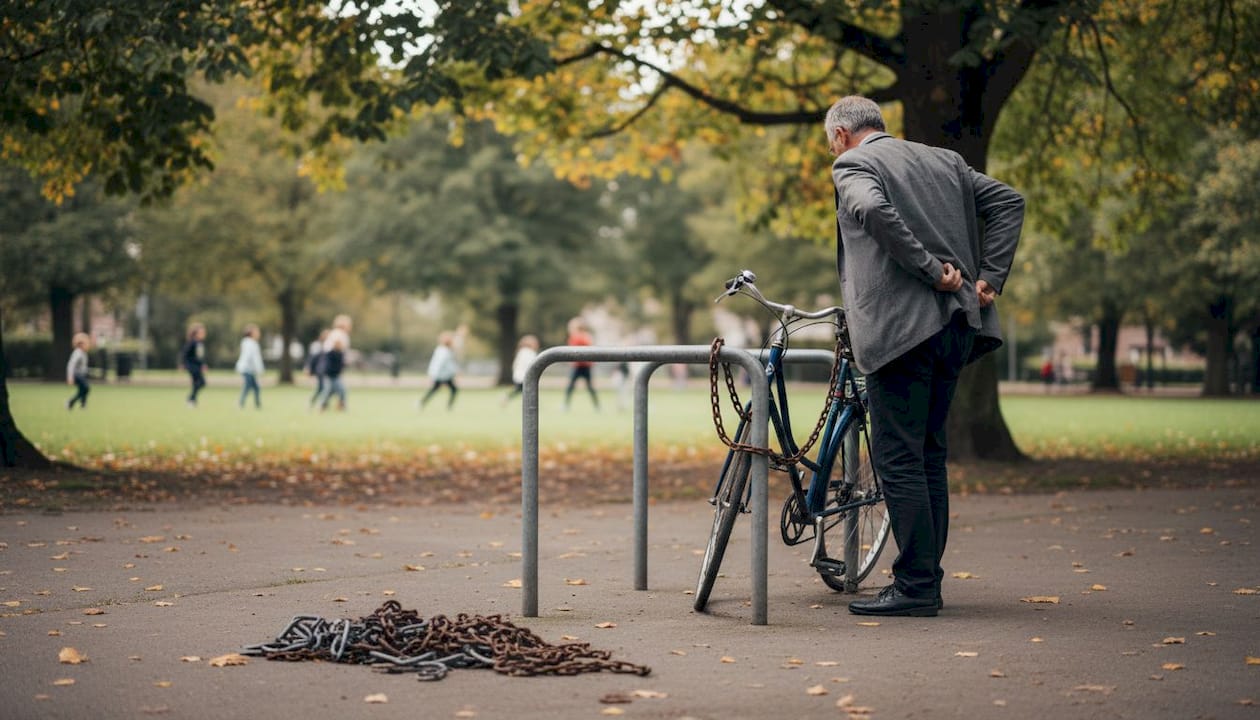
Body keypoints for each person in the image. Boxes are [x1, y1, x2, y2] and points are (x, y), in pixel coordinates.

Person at [825, 96, 1024, 617]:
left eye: (830, 142)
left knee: (898, 459)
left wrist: (929, 269)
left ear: (842, 134)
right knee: (929, 456)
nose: (832, 150)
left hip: (901, 332)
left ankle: (916, 586)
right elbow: (1009, 202)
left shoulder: (853, 163)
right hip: (958, 327)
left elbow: (868, 209)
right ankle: (924, 581)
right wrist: (989, 276)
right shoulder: (946, 161)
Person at [563, 318, 599, 411]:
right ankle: (566, 405)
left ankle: (597, 405)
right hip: (579, 365)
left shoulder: (580, 336)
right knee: (573, 386)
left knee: (586, 387)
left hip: (583, 365)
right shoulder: (584, 336)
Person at [421, 331, 460, 410]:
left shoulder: (442, 350)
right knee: (453, 389)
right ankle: (449, 406)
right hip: (442, 375)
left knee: (450, 389)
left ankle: (422, 403)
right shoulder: (444, 352)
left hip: (443, 375)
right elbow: (442, 364)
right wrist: (455, 371)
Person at [502, 334, 541, 406]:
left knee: (522, 390)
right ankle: (508, 397)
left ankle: (508, 398)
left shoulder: (522, 352)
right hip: (523, 375)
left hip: (520, 374)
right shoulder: (528, 352)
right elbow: (531, 363)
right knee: (524, 390)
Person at [235, 324, 264, 409]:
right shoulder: (251, 343)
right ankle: (241, 403)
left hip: (248, 369)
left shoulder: (247, 343)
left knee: (255, 387)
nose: (259, 333)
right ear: (251, 333)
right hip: (247, 369)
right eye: (257, 331)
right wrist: (259, 369)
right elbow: (253, 358)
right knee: (248, 386)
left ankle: (257, 404)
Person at [317, 337, 347, 412]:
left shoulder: (341, 354)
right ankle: (322, 406)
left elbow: (342, 365)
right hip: (329, 376)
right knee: (327, 392)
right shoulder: (329, 354)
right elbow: (327, 365)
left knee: (342, 390)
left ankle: (341, 406)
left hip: (336, 376)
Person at [182, 323, 207, 408]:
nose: (203, 334)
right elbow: (185, 353)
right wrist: (183, 364)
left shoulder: (200, 343)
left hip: (197, 366)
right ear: (196, 333)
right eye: (201, 332)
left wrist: (202, 364)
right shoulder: (192, 342)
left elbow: (199, 356)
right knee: (200, 382)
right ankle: (191, 399)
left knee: (199, 383)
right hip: (192, 366)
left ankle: (192, 399)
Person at [65, 332, 92, 410]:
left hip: (81, 374)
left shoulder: (83, 353)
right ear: (81, 344)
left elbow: (82, 366)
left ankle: (81, 405)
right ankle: (71, 402)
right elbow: (71, 365)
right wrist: (70, 377)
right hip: (76, 374)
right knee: (86, 388)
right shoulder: (78, 353)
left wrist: (87, 370)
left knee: (82, 390)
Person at [306, 329, 329, 410]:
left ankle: (321, 404)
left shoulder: (327, 346)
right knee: (323, 388)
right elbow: (312, 358)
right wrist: (308, 368)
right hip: (320, 370)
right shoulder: (317, 346)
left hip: (325, 370)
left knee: (322, 388)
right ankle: (320, 404)